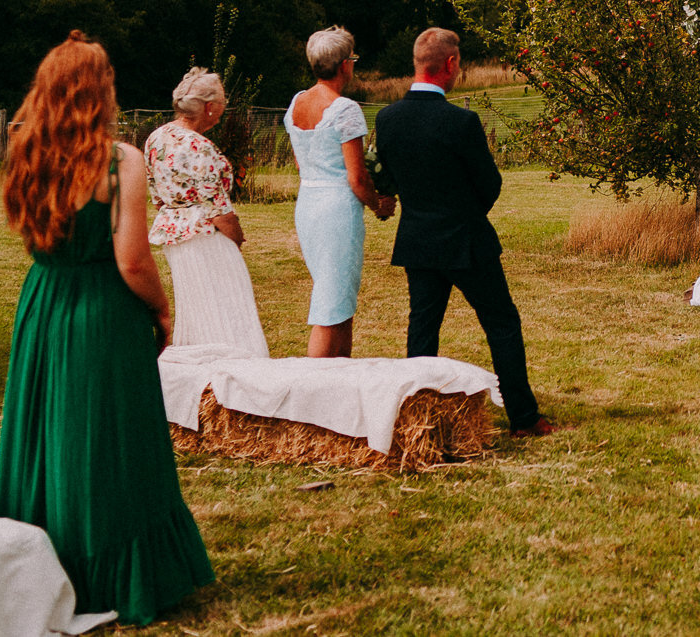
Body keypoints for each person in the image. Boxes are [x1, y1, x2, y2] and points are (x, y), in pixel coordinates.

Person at [0, 32, 212, 625]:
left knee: (46, 432)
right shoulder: (120, 161)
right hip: (100, 309)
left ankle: (39, 567)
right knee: (109, 436)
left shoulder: (24, 150)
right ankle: (110, 572)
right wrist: (162, 311)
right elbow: (133, 260)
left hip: (44, 300)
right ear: (98, 93)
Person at [374, 28, 556, 436]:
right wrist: (464, 214)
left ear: (418, 63)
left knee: (422, 329)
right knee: (501, 323)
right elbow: (489, 184)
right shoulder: (461, 122)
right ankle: (524, 419)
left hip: (417, 239)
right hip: (466, 241)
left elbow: (390, 178)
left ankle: (415, 421)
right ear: (451, 64)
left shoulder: (387, 119)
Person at [284, 27, 394, 359]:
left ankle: (342, 380)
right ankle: (313, 391)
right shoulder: (344, 109)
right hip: (337, 211)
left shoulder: (296, 102)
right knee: (330, 305)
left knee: (339, 299)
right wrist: (379, 205)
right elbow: (357, 178)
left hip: (308, 206)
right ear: (345, 65)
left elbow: (302, 165)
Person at [144, 68, 268, 357]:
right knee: (229, 308)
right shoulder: (202, 148)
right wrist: (236, 240)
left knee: (197, 307)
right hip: (208, 239)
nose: (224, 111)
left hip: (176, 240)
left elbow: (158, 198)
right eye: (223, 104)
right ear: (210, 108)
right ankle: (235, 369)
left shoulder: (156, 138)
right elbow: (220, 212)